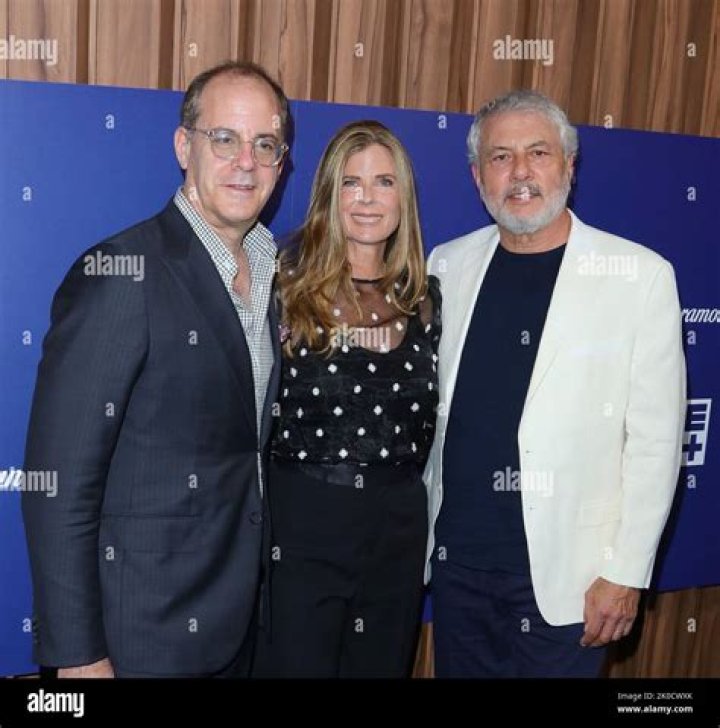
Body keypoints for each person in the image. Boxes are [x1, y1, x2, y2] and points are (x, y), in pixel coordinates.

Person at [21, 61, 289, 678]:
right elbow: (59, 482)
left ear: (281, 163)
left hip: (245, 624)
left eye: (265, 145)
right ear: (183, 147)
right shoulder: (123, 274)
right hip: (142, 635)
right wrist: (79, 657)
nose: (246, 162)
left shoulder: (276, 275)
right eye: (224, 138)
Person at [425, 90, 686, 678]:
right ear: (477, 176)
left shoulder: (639, 276)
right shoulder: (447, 264)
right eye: (500, 157)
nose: (520, 172)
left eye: (538, 153)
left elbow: (655, 442)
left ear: (569, 165)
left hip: (572, 579)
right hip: (459, 566)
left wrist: (625, 571)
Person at [252, 120, 440, 678]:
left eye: (383, 182)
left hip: (397, 531)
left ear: (403, 197)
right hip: (302, 524)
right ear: (328, 195)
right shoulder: (283, 287)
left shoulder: (426, 299)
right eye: (350, 183)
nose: (367, 199)